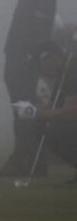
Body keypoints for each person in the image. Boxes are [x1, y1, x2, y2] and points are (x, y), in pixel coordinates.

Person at [0, 0, 56, 177]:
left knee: (24, 111)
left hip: (25, 61)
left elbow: (38, 30)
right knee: (23, 111)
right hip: (20, 58)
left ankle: (25, 162)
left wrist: (28, 56)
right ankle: (32, 162)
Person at [11, 37, 76, 183]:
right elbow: (55, 108)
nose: (40, 69)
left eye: (41, 63)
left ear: (52, 57)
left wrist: (36, 113)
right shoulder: (63, 74)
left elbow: (71, 112)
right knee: (41, 125)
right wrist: (31, 109)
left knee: (58, 129)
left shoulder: (73, 70)